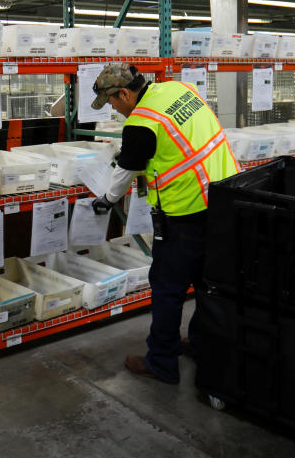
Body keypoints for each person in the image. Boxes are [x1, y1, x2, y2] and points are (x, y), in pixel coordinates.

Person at [88, 62, 239, 384]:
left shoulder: (142, 123)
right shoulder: (177, 89)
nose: (114, 109)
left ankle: (162, 362)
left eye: (112, 102)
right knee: (206, 283)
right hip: (225, 200)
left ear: (125, 93)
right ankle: (202, 344)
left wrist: (106, 199)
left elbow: (127, 169)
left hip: (186, 213)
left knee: (167, 289)